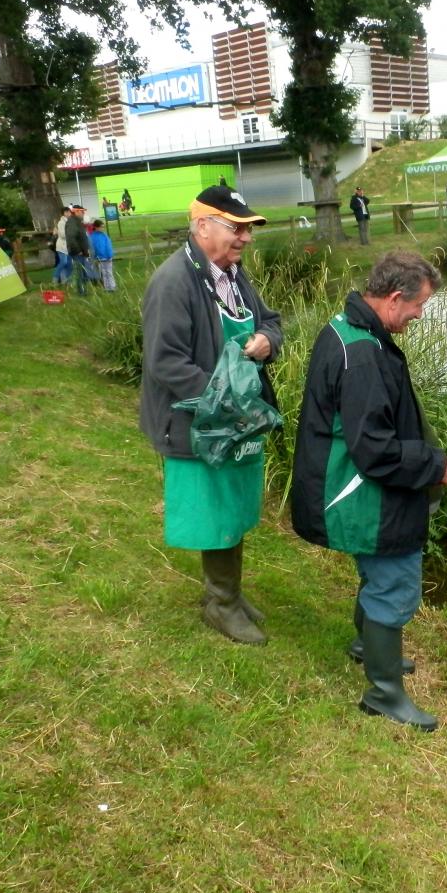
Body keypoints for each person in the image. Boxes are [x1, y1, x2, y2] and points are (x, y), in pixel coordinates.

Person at [291, 251, 447, 731]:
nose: (419, 316)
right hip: (358, 493)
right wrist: (438, 466)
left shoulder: (348, 328)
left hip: (343, 484)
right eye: (419, 307)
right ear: (395, 298)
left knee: (378, 572)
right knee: (393, 580)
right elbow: (374, 450)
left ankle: (366, 646)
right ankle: (384, 694)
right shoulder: (363, 354)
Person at [139, 185, 283, 646]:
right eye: (235, 227)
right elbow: (166, 362)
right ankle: (221, 605)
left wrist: (265, 340)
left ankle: (229, 595)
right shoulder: (173, 281)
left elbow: (272, 321)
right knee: (215, 509)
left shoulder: (234, 275)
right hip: (198, 422)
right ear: (202, 226)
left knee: (235, 505)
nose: (244, 237)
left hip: (233, 420)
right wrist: (226, 399)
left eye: (248, 229)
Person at [66, 205, 97, 290]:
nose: (84, 213)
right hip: (78, 253)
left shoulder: (78, 222)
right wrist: (78, 250)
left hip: (83, 252)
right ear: (76, 212)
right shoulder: (72, 222)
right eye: (82, 211)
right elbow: (71, 238)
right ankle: (81, 291)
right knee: (80, 273)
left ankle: (84, 290)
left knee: (84, 272)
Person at [89, 219, 116, 291]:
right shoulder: (93, 237)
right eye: (101, 227)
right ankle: (107, 288)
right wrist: (95, 257)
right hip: (100, 258)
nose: (103, 228)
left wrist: (110, 254)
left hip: (108, 257)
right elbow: (94, 248)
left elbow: (108, 246)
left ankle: (112, 286)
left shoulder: (105, 235)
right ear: (96, 227)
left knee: (109, 272)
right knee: (104, 273)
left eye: (103, 227)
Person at [53, 207, 73, 287]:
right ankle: (55, 278)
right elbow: (62, 235)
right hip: (61, 246)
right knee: (63, 262)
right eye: (68, 212)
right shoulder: (61, 223)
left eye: (70, 212)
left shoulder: (69, 222)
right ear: (64, 213)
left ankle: (67, 281)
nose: (70, 214)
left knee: (69, 265)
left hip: (68, 247)